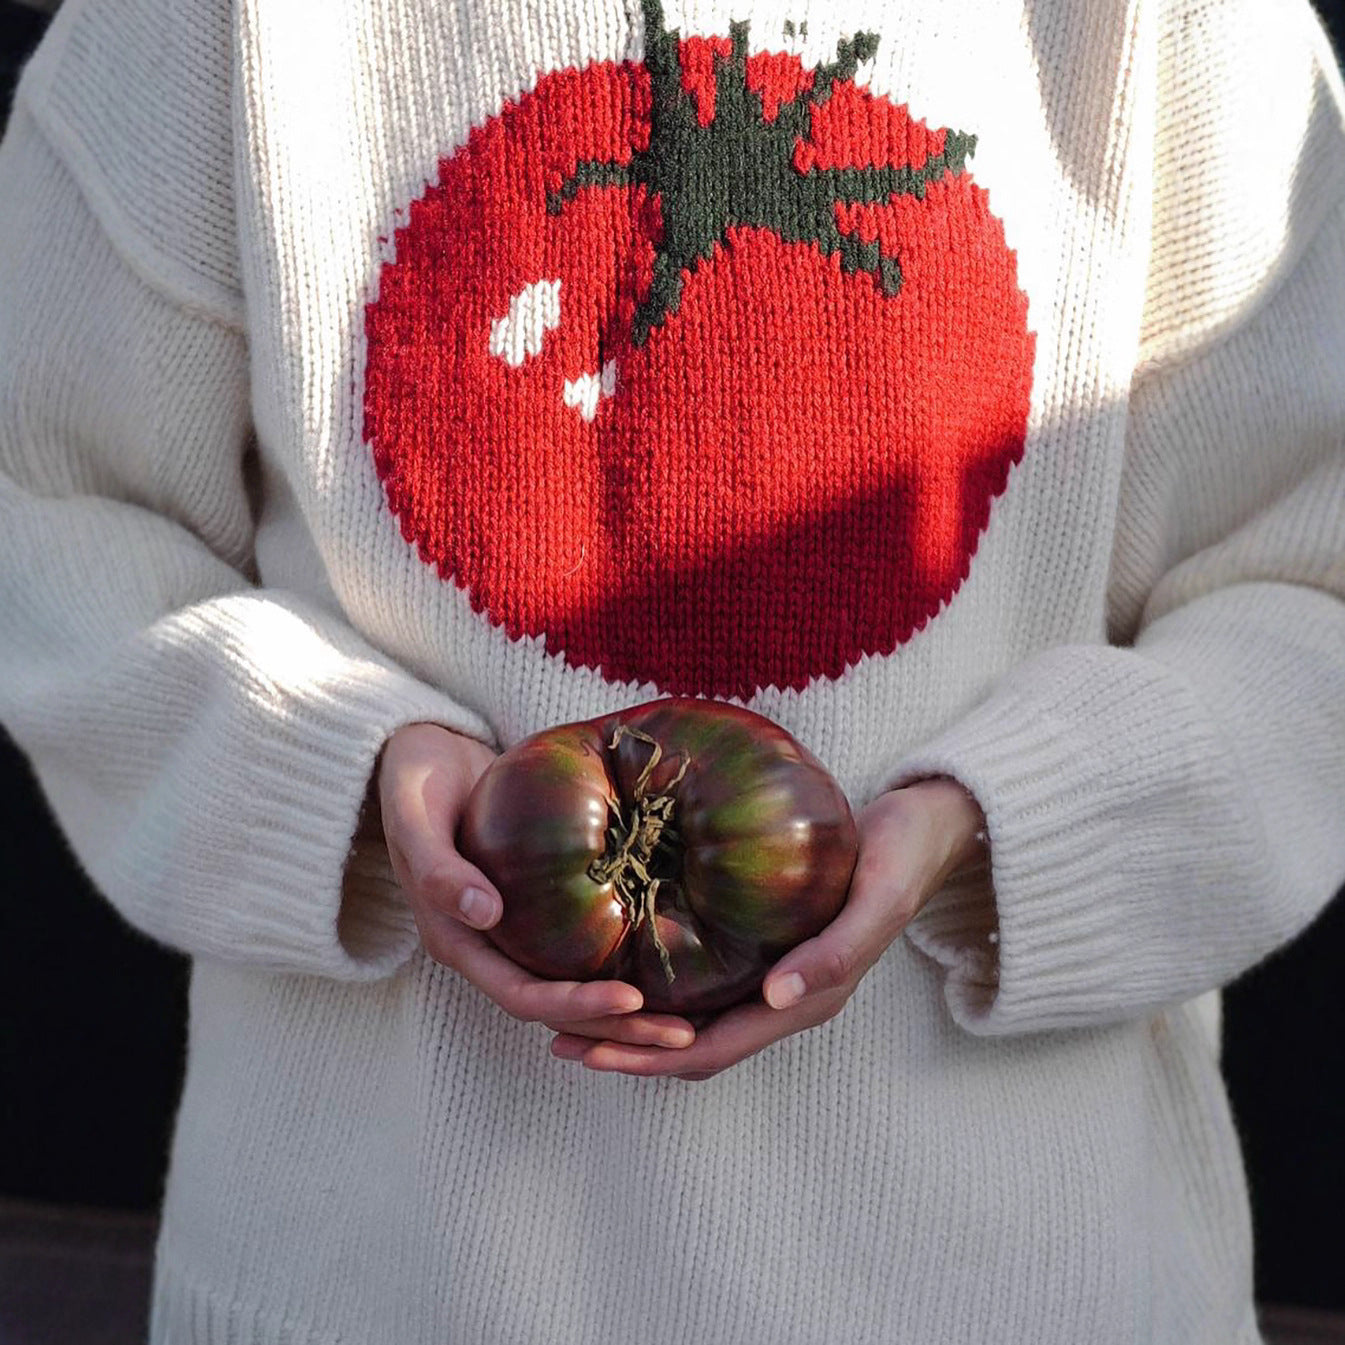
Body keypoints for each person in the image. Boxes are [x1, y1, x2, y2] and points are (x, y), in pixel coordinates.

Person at [1, 0, 1342, 1340]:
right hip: (384, 1274)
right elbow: (49, 509)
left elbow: (1305, 593)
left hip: (1009, 1279)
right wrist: (349, 773)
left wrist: (999, 825)